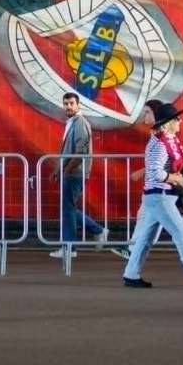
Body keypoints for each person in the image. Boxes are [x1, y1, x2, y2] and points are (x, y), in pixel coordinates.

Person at [122, 102, 183, 290]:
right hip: (160, 196)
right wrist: (175, 177)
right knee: (182, 234)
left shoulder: (164, 141)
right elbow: (156, 171)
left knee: (146, 239)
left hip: (156, 196)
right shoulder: (160, 144)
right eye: (176, 119)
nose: (179, 121)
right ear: (166, 124)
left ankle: (130, 274)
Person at [111, 99, 183, 260]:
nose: (145, 116)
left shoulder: (160, 135)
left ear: (157, 114)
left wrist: (147, 173)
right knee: (165, 215)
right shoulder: (162, 134)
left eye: (147, 112)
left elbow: (160, 161)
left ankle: (134, 250)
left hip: (162, 185)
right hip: (163, 184)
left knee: (161, 216)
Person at [48, 92, 107, 259]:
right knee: (69, 209)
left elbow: (80, 151)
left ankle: (72, 246)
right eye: (65, 103)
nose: (68, 106)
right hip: (73, 171)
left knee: (68, 210)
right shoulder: (73, 123)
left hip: (75, 173)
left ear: (78, 105)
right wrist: (58, 170)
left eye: (71, 103)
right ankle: (76, 243)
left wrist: (65, 170)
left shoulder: (80, 123)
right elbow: (69, 151)